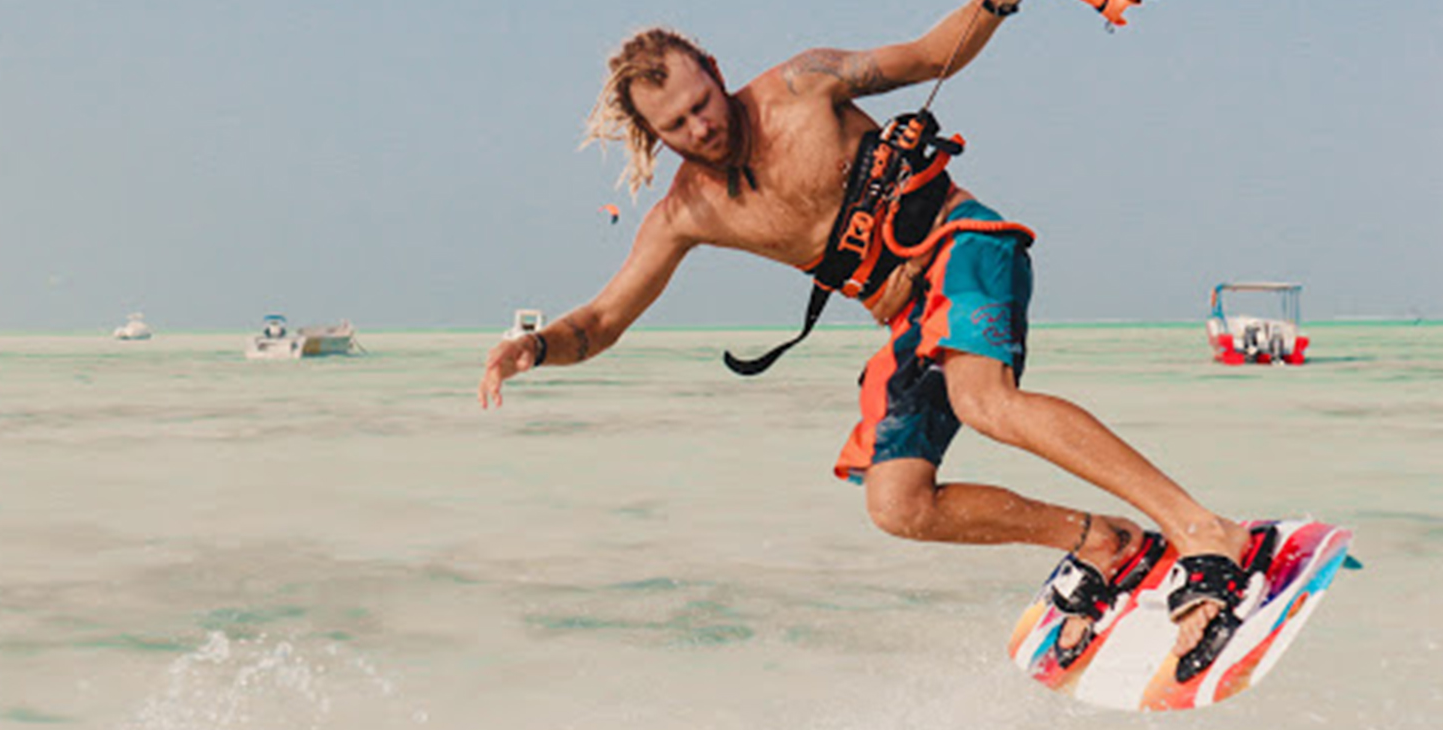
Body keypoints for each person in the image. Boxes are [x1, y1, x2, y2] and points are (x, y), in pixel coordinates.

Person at [478, 0, 1260, 681]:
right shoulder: (690, 211)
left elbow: (928, 54)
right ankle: (1105, 543)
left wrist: (996, 0)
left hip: (964, 246)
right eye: (675, 124)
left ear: (715, 72)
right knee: (898, 505)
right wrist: (537, 347)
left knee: (984, 402)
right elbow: (604, 321)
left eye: (701, 102)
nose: (701, 127)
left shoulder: (802, 84)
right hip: (907, 321)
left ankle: (1201, 529)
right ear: (649, 134)